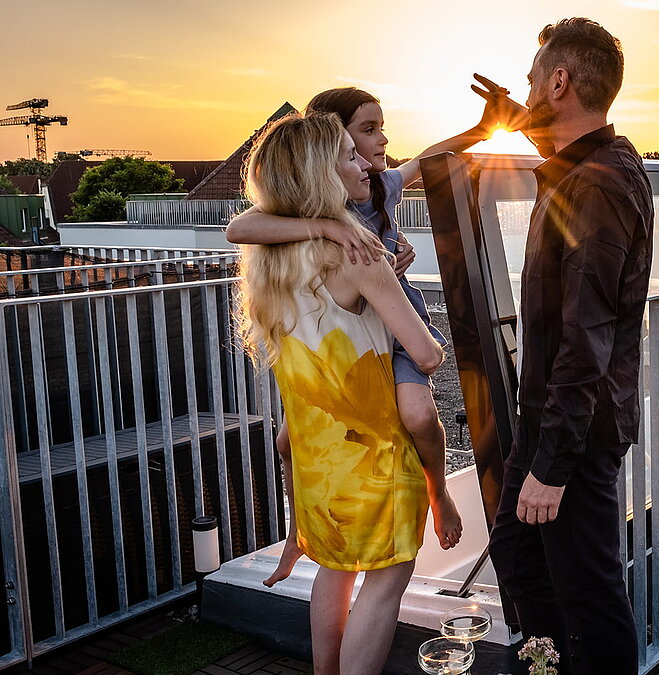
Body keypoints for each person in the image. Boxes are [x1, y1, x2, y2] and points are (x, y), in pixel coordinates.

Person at [227, 80, 524, 586]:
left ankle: (438, 490)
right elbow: (239, 229)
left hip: (393, 318)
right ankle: (297, 534)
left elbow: (425, 160)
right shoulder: (314, 205)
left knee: (418, 413)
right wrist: (329, 227)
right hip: (349, 336)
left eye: (380, 128)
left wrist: (481, 129)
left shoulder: (379, 186)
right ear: (330, 145)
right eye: (367, 131)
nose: (381, 140)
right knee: (286, 441)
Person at [234, 111, 445, 674]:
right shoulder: (360, 256)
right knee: (386, 583)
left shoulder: (269, 265)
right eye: (350, 156)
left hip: (318, 467)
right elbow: (426, 355)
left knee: (334, 570)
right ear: (324, 175)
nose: (363, 165)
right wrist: (397, 289)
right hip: (375, 461)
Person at [488, 17, 654, 675]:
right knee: (518, 557)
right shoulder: (588, 167)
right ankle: (550, 665)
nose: (527, 89)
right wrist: (513, 116)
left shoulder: (597, 184)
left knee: (590, 592)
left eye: (534, 80)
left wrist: (553, 465)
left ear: (559, 82)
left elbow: (588, 336)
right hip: (553, 419)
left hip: (576, 431)